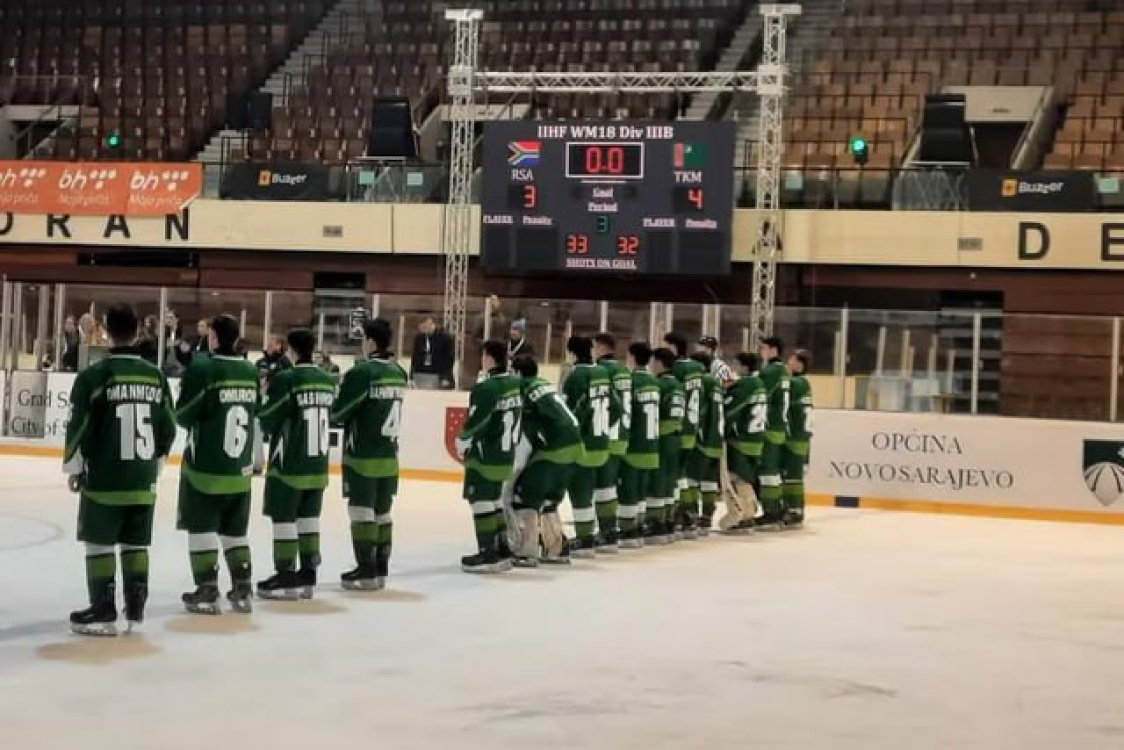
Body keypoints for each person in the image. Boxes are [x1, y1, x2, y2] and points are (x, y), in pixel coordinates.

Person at [63, 304, 177, 636]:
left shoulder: (94, 377)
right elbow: (169, 426)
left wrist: (74, 468)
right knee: (135, 543)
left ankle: (103, 610)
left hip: (105, 478)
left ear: (106, 332)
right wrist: (157, 463)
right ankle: (136, 606)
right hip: (142, 478)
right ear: (137, 330)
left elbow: (78, 426)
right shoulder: (156, 376)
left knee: (99, 543)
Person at [175, 315, 261, 614]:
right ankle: (243, 586)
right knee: (235, 532)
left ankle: (207, 588)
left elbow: (183, 415)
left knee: (201, 527)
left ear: (212, 338)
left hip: (205, 468)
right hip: (240, 470)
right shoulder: (250, 370)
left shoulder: (203, 368)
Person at [255, 328, 338, 600]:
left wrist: (264, 397)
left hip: (289, 462)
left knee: (284, 518)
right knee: (309, 518)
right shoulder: (326, 379)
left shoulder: (287, 379)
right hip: (318, 464)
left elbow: (268, 418)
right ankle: (308, 573)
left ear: (290, 350)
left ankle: (286, 575)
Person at [331, 318, 408, 590]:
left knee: (360, 511)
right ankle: (380, 568)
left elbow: (340, 412)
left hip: (362, 455)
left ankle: (365, 570)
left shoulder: (363, 372)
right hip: (389, 455)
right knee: (383, 512)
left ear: (371, 342)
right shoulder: (398, 372)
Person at [507, 355, 582, 567]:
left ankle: (526, 551)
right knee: (549, 499)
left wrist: (515, 473)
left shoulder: (523, 389)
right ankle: (555, 548)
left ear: (518, 373)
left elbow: (527, 434)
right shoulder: (545, 385)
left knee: (525, 496)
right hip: (576, 446)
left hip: (553, 448)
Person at [455, 339, 522, 573]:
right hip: (506, 455)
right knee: (495, 501)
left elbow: (477, 421)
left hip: (485, 455)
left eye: (483, 356)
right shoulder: (514, 384)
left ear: (490, 358)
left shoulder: (486, 388)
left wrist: (462, 440)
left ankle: (488, 553)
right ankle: (502, 549)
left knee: (481, 500)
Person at [561, 335, 618, 556]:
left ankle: (585, 539)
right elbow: (616, 407)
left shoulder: (575, 376)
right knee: (604, 490)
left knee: (581, 492)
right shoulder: (601, 372)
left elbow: (569, 414)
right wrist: (601, 428)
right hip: (602, 443)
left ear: (572, 353)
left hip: (583, 446)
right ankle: (609, 534)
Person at [616, 342, 660, 549]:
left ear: (632, 357)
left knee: (628, 491)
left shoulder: (631, 382)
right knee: (642, 491)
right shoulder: (654, 382)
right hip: (652, 445)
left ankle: (628, 531)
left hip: (634, 445)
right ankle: (639, 527)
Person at [663, 332, 705, 536]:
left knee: (677, 475)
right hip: (693, 425)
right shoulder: (696, 367)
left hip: (679, 427)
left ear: (673, 347)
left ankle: (684, 514)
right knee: (684, 474)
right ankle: (690, 514)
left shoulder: (677, 368)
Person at [592, 332, 631, 550]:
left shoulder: (602, 370)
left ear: (600, 347)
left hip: (608, 435)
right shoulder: (624, 370)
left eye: (594, 347)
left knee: (604, 487)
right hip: (624, 434)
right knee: (611, 486)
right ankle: (610, 528)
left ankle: (607, 531)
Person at [721, 352, 767, 533]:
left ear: (745, 367)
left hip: (742, 439)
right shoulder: (760, 383)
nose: (734, 368)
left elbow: (731, 410)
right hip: (756, 439)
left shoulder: (746, 384)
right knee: (746, 478)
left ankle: (742, 516)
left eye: (737, 364)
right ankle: (749, 514)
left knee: (737, 478)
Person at [648, 347, 685, 544]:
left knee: (658, 479)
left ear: (659, 363)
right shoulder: (678, 384)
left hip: (662, 436)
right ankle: (670, 518)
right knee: (671, 479)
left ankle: (656, 522)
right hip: (676, 436)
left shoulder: (659, 384)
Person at [688, 351, 725, 536]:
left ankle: (692, 514)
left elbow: (698, 409)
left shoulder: (701, 381)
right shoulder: (716, 382)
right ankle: (707, 514)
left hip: (702, 437)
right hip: (716, 438)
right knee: (709, 480)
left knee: (692, 479)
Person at [757, 336, 790, 530]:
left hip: (769, 427)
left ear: (774, 350)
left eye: (764, 348)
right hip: (780, 428)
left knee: (767, 472)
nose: (761, 352)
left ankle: (771, 512)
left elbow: (760, 395)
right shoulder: (784, 370)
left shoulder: (771, 371)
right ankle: (778, 508)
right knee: (774, 472)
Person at [783, 349, 813, 528]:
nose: (788, 362)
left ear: (800, 365)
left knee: (793, 476)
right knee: (792, 475)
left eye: (792, 360)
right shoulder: (804, 383)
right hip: (800, 436)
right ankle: (793, 508)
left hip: (796, 436)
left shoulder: (797, 383)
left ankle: (795, 510)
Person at [410, 316, 455, 389]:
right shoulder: (419, 338)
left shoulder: (445, 338)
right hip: (421, 373)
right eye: (421, 327)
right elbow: (415, 358)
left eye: (424, 326)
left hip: (438, 373)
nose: (422, 329)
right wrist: (411, 376)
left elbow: (449, 360)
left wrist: (446, 377)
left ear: (430, 323)